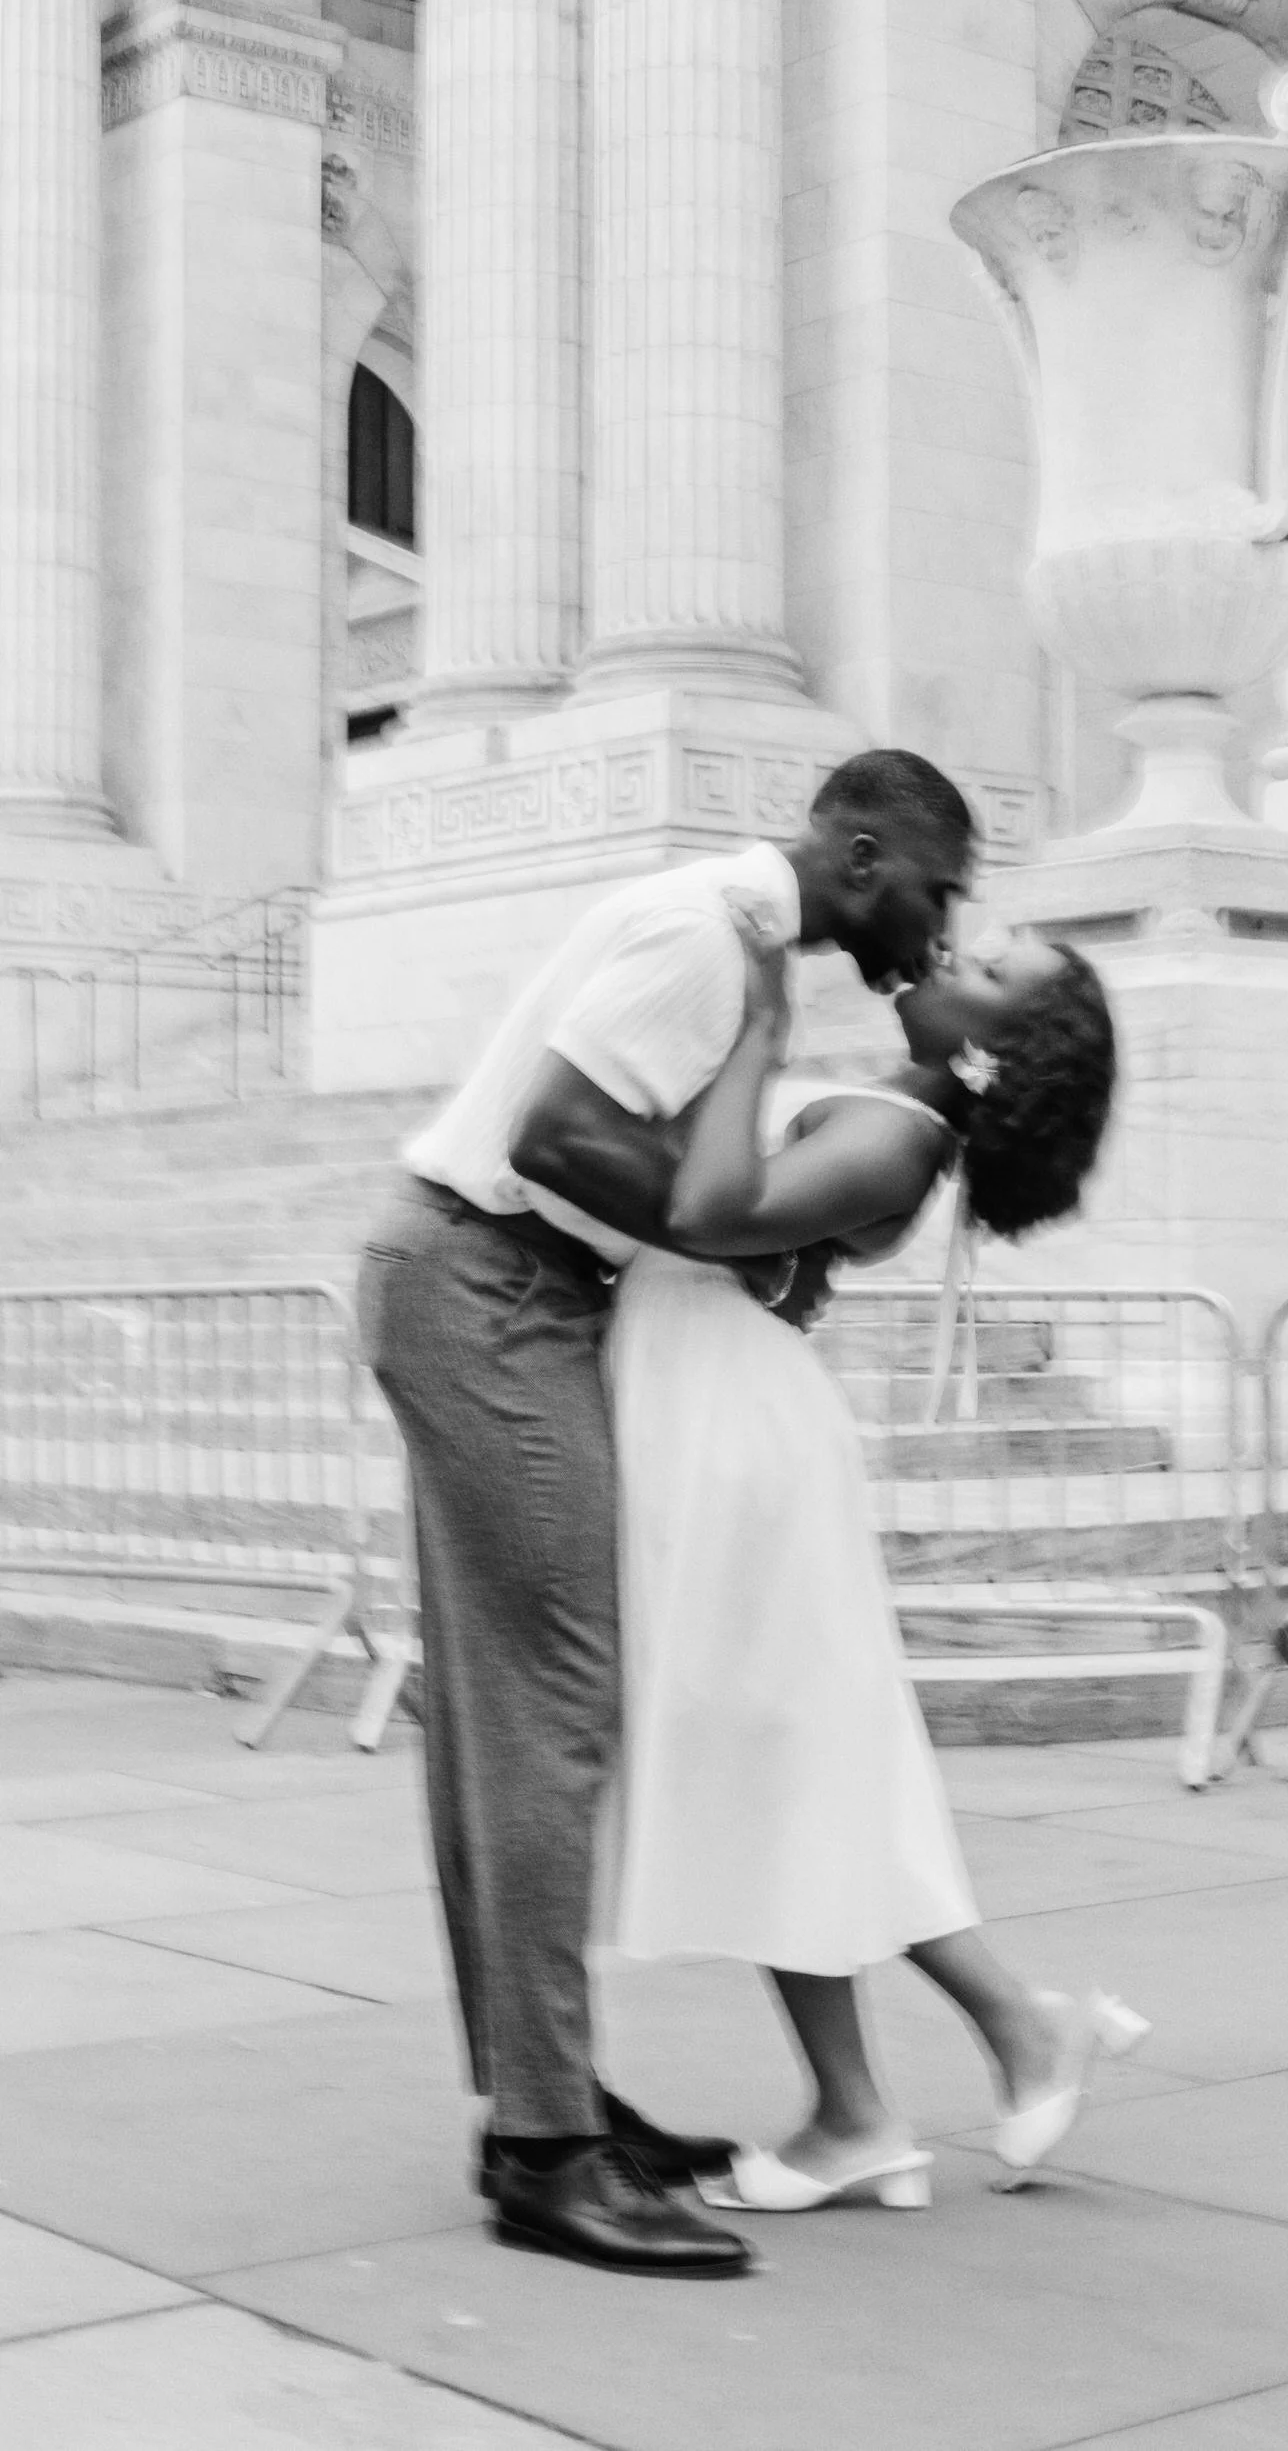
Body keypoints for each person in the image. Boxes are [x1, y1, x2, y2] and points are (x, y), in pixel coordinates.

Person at [357, 750, 976, 2279]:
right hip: (490, 1290)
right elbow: (556, 1138)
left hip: (499, 1292)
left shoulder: (733, 942)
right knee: (553, 1708)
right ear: (859, 844)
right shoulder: (710, 937)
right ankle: (548, 2154)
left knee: (520, 1710)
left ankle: (539, 2101)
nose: (944, 921)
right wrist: (744, 1249)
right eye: (936, 884)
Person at [598, 902, 1149, 2212]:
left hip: (733, 1442)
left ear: (999, 1053)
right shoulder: (892, 1107)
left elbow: (708, 1209)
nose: (954, 952)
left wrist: (751, 1031)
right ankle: (942, 2072)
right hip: (706, 1418)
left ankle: (905, 2093)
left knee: (788, 1771)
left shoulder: (899, 1139)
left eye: (991, 970)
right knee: (795, 1776)